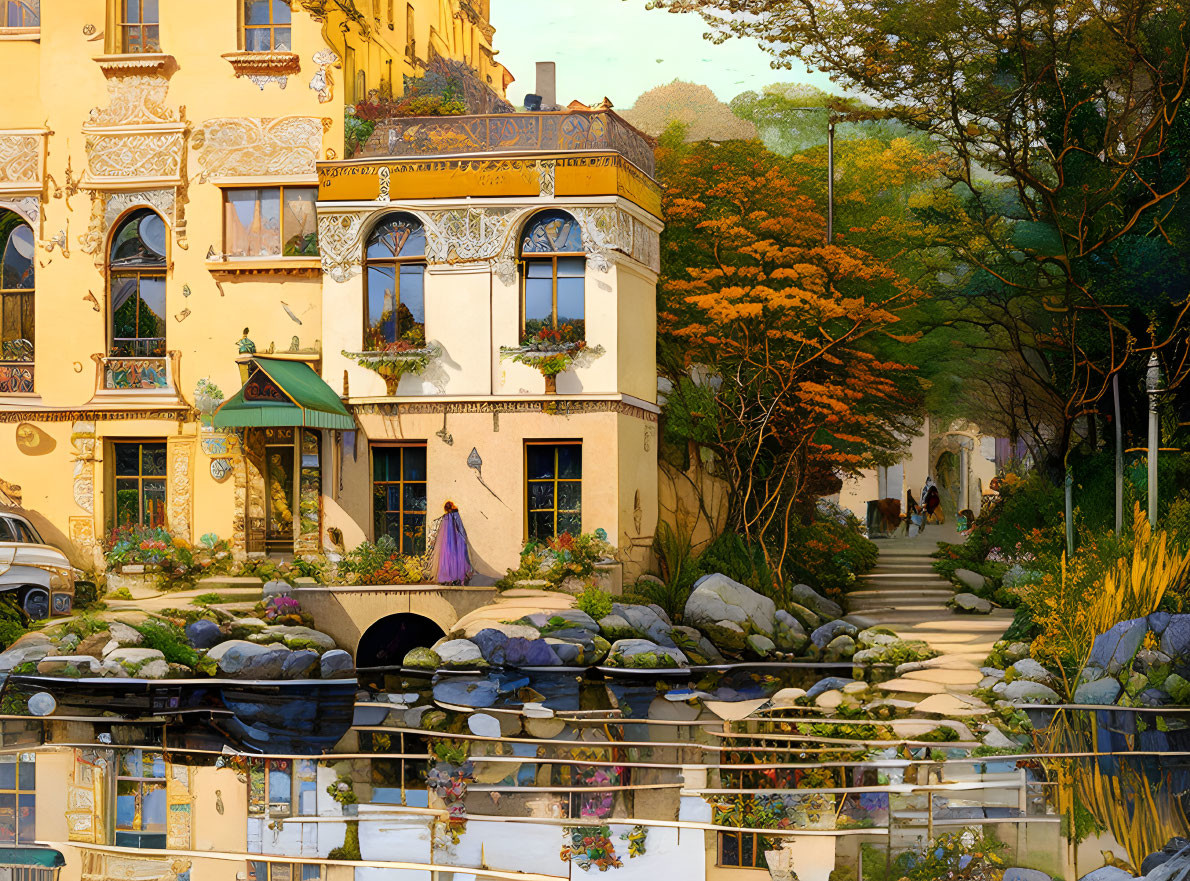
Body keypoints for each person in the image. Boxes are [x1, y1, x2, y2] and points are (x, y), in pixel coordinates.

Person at [429, 501, 473, 585]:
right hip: (457, 540)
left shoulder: (445, 517)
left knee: (449, 558)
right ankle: (459, 579)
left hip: (448, 542)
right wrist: (464, 538)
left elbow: (444, 532)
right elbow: (460, 527)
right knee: (459, 558)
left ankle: (450, 579)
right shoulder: (455, 514)